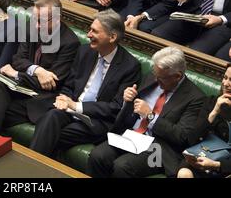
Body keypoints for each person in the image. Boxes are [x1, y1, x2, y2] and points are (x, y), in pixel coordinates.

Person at [29, 9, 141, 157]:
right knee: (51, 116)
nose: (88, 35)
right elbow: (69, 85)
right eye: (89, 30)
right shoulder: (85, 51)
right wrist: (63, 99)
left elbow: (115, 107)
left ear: (112, 37)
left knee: (50, 131)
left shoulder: (130, 66)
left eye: (94, 31)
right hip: (70, 110)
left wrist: (76, 106)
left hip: (97, 121)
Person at [87, 46, 206, 178]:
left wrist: (150, 116)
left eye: (161, 78)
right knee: (98, 156)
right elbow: (133, 108)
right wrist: (128, 98)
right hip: (132, 135)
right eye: (155, 74)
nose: (156, 79)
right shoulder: (154, 76)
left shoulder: (195, 98)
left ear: (177, 76)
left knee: (123, 166)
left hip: (159, 148)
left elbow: (181, 136)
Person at [0, 0, 80, 134]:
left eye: (42, 21)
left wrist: (16, 74)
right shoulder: (32, 26)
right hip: (21, 88)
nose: (37, 25)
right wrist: (37, 70)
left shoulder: (70, 42)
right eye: (35, 19)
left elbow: (51, 82)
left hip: (41, 97)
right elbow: (18, 59)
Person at [177, 65, 231, 178]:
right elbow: (191, 139)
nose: (226, 83)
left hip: (225, 167)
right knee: (184, 173)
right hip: (202, 156)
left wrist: (216, 165)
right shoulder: (211, 102)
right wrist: (214, 111)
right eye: (225, 78)